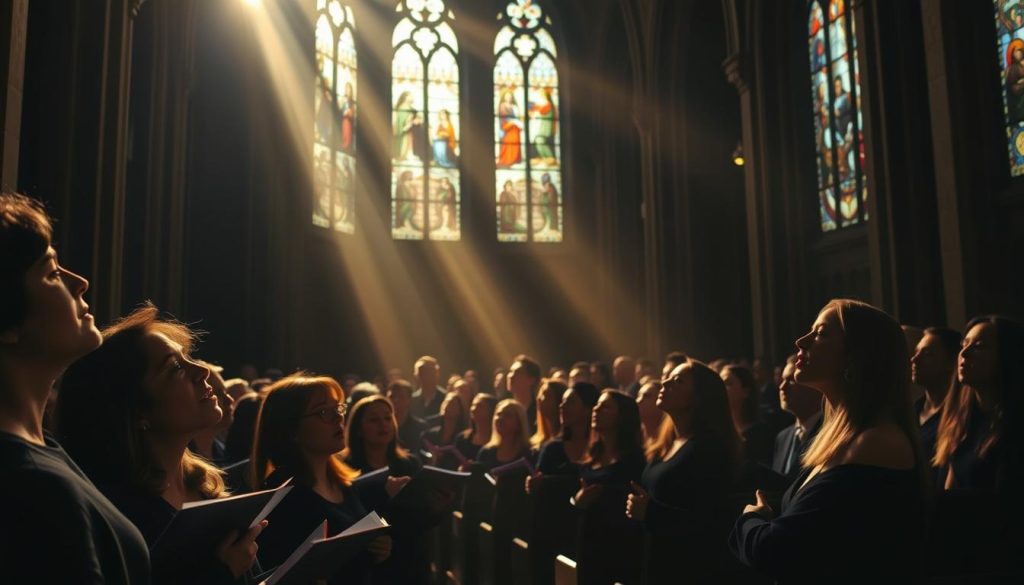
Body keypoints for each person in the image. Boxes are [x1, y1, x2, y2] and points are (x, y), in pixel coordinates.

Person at [0, 193, 149, 584]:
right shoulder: (30, 487)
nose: (79, 282)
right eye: (51, 273)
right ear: (8, 322)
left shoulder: (42, 449)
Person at [57, 305, 263, 584]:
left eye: (187, 357)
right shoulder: (117, 518)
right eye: (174, 367)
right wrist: (220, 574)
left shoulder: (206, 489)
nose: (201, 370)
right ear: (137, 411)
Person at [729, 299, 927, 583]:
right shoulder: (841, 437)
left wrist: (751, 518)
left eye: (820, 333)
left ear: (857, 355)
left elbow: (776, 549)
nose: (801, 341)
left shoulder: (876, 443)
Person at [251, 375, 390, 584]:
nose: (338, 418)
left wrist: (379, 549)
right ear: (292, 429)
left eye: (338, 408)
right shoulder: (281, 496)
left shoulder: (343, 483)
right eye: (324, 412)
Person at [628, 360, 739, 584]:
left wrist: (651, 512)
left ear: (698, 397)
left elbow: (711, 520)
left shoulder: (709, 446)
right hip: (656, 563)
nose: (665, 382)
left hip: (687, 571)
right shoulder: (666, 443)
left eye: (677, 381)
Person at [573, 390, 645, 584]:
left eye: (605, 406)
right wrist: (578, 500)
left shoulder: (634, 461)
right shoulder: (591, 457)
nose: (596, 409)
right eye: (596, 405)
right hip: (588, 546)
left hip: (617, 550)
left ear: (622, 416)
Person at [910, 327, 960, 464]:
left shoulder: (961, 414)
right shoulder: (911, 412)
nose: (914, 359)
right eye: (916, 352)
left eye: (927, 354)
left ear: (951, 363)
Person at [771, 356, 823, 482]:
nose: (782, 387)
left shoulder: (829, 433)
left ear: (815, 386)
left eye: (791, 381)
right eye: (782, 380)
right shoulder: (782, 437)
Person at [534, 382, 598, 476]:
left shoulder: (601, 448)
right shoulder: (552, 450)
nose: (562, 406)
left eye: (570, 402)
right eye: (562, 401)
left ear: (588, 409)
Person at [721, 364, 775, 467]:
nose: (721, 388)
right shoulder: (719, 431)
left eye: (728, 383)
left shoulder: (761, 435)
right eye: (720, 383)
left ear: (745, 392)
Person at [476, 399, 532, 470]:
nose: (500, 418)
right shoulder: (486, 453)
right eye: (498, 414)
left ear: (519, 423)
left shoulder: (528, 454)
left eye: (508, 415)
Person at [455, 393, 497, 463]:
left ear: (491, 410)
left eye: (480, 406)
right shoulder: (462, 438)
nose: (473, 409)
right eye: (473, 405)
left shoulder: (497, 442)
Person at [387, 379, 426, 452]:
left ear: (409, 400)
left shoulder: (420, 428)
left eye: (401, 397)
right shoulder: (382, 427)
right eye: (392, 396)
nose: (395, 400)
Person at [507, 354, 542, 434]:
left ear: (532, 380)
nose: (511, 376)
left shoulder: (538, 412)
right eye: (510, 371)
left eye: (518, 372)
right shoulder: (504, 411)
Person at [529, 378, 564, 450]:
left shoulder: (567, 444)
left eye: (546, 395)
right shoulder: (533, 444)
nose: (540, 399)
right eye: (540, 395)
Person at [496, 88, 523, 167]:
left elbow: (517, 117)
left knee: (515, 140)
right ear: (504, 97)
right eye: (507, 96)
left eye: (510, 96)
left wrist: (517, 121)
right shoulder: (502, 106)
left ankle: (515, 159)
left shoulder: (514, 106)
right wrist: (513, 121)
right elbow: (504, 117)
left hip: (514, 126)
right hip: (507, 126)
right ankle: (508, 159)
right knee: (509, 142)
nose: (509, 97)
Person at [636, 379, 664, 446]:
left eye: (647, 396)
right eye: (638, 396)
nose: (638, 401)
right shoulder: (632, 436)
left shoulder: (668, 439)